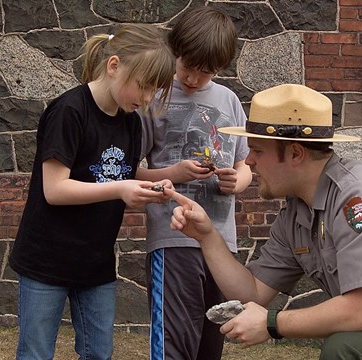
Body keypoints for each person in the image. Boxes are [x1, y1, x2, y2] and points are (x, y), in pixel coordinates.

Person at [166, 83, 362, 359]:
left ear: (295, 154)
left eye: (258, 150)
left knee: (346, 348)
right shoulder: (296, 213)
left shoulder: (360, 196)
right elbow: (252, 293)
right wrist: (207, 236)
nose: (248, 161)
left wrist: (272, 323)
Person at [8, 24, 176, 360]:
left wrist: (162, 180)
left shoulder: (130, 122)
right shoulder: (69, 111)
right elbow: (55, 188)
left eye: (153, 92)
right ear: (114, 66)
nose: (145, 99)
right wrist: (122, 188)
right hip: (46, 260)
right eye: (142, 87)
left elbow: (120, 173)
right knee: (36, 353)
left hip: (95, 263)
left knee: (99, 353)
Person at [135, 6, 252, 360]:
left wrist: (238, 181)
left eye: (207, 73)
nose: (194, 80)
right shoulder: (152, 96)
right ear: (175, 52)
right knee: (175, 344)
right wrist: (175, 174)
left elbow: (245, 163)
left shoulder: (229, 100)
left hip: (221, 245)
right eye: (188, 68)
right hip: (173, 241)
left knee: (210, 344)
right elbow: (128, 172)